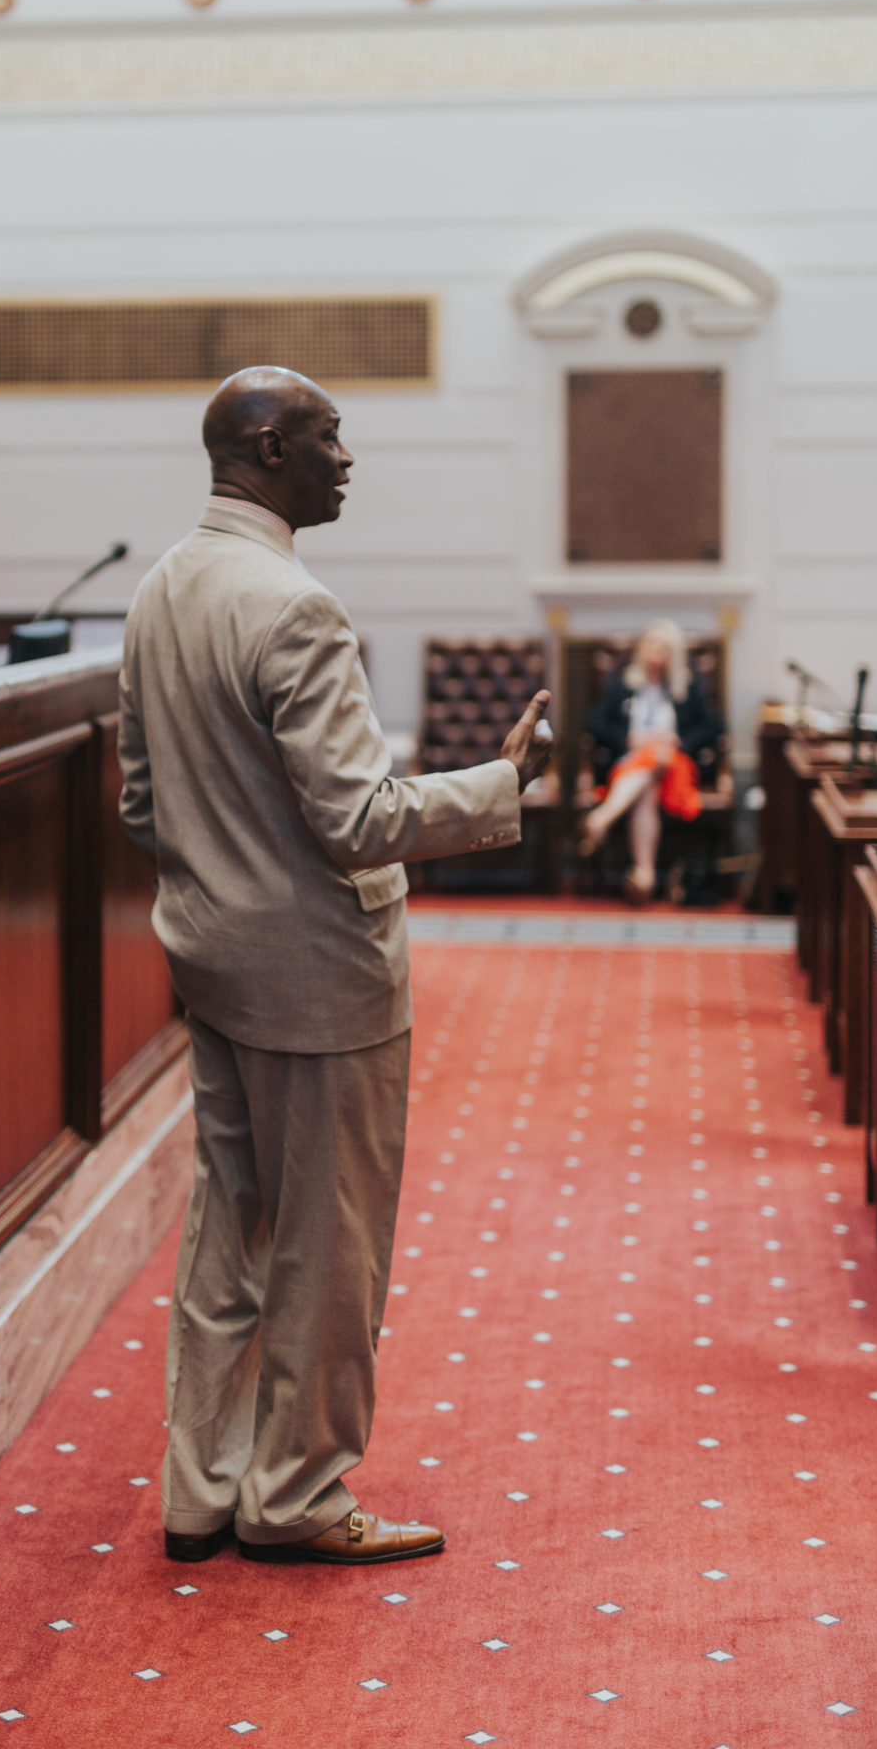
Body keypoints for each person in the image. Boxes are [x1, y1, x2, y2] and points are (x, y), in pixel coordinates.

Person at [118, 366, 552, 1566]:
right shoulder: (295, 606)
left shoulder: (161, 587)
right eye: (329, 434)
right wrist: (503, 782)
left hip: (212, 958)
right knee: (328, 1246)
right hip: (318, 975)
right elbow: (359, 820)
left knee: (229, 1232)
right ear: (269, 447)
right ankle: (297, 1492)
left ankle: (202, 1487)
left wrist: (223, 880)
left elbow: (143, 806)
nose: (348, 457)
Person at [578, 620, 723, 904]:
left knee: (657, 755)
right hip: (633, 765)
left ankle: (602, 818)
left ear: (673, 655)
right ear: (641, 650)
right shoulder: (623, 685)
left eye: (663, 648)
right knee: (646, 788)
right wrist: (628, 738)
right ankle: (645, 875)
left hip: (673, 764)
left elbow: (714, 726)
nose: (656, 653)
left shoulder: (687, 688)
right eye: (652, 646)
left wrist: (678, 740)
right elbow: (594, 723)